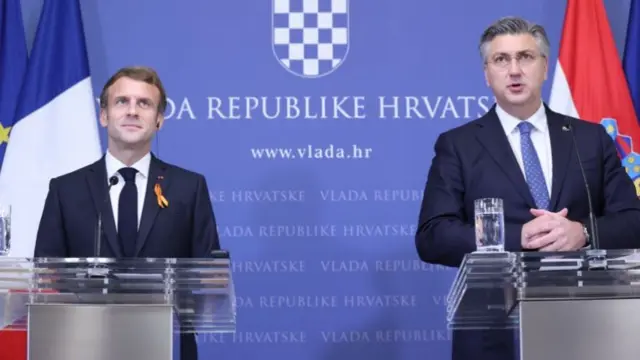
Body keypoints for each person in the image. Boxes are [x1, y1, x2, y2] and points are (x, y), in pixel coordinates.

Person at [415, 17, 640, 360]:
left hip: (588, 326)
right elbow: (433, 236)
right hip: (494, 332)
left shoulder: (590, 139)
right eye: (501, 60)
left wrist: (583, 232)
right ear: (486, 73)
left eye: (526, 57)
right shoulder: (458, 145)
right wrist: (517, 237)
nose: (515, 70)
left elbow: (634, 220)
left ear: (545, 67)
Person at [34, 66, 220, 360]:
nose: (132, 111)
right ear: (104, 115)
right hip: (82, 346)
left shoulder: (189, 188)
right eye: (122, 102)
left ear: (159, 120)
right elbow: (46, 278)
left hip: (165, 346)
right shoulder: (65, 190)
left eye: (144, 103)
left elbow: (208, 277)